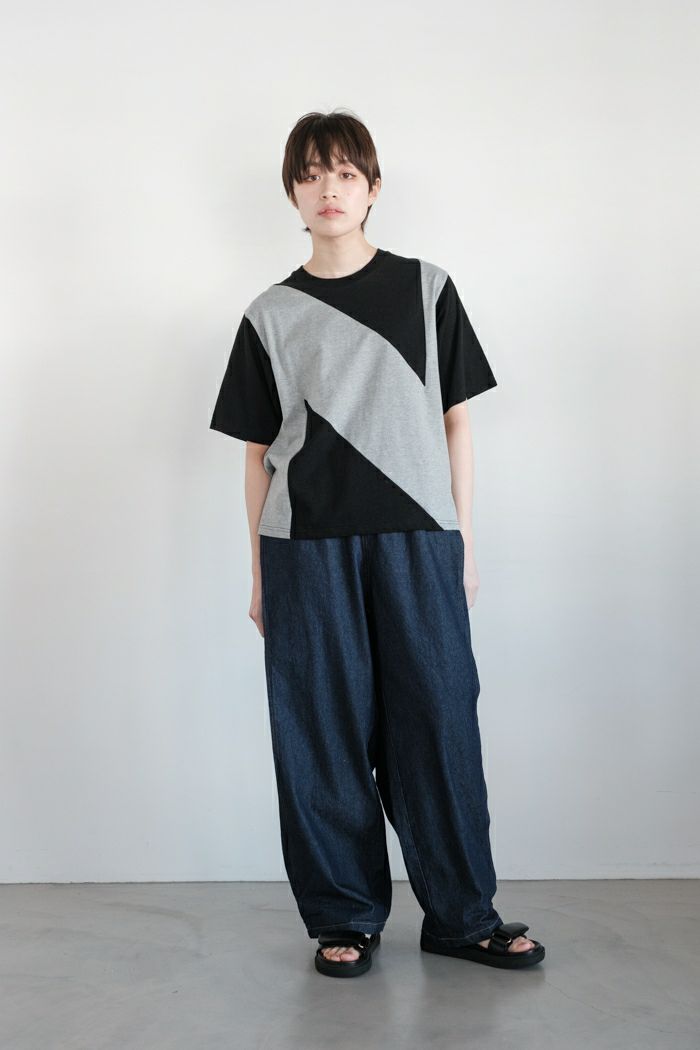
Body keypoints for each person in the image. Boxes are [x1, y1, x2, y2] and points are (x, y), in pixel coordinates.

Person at [210, 109, 545, 977]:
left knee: (439, 721)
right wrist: (259, 573)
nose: (329, 189)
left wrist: (463, 542)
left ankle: (462, 916)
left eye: (346, 173)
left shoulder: (427, 290)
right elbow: (255, 454)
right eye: (312, 174)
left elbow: (457, 422)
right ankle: (344, 917)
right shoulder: (269, 315)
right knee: (320, 731)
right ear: (292, 192)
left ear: (373, 188)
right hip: (304, 548)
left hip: (419, 541)